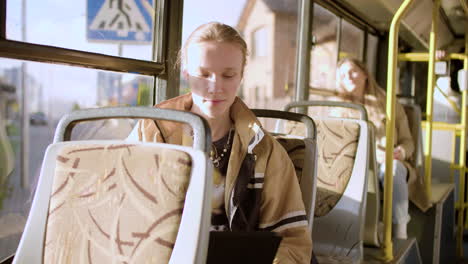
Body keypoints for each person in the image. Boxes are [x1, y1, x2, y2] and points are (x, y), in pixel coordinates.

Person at [128, 22, 312, 263]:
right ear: (186, 75)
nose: (215, 87)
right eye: (203, 74)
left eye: (228, 75)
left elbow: (291, 240)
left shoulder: (266, 152)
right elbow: (122, 215)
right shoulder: (151, 132)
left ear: (242, 76)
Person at [335, 58, 430, 239]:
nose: (349, 77)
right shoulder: (337, 109)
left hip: (387, 161)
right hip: (354, 163)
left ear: (364, 74)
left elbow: (408, 141)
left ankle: (399, 229)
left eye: (353, 71)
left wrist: (400, 152)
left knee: (392, 169)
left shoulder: (389, 104)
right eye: (343, 75)